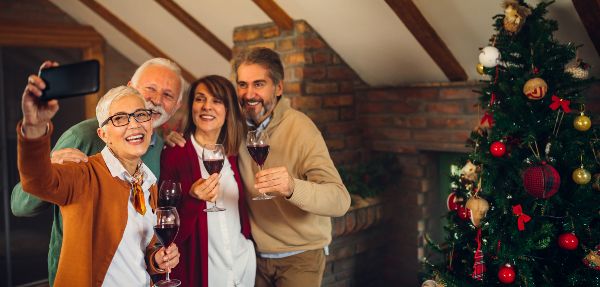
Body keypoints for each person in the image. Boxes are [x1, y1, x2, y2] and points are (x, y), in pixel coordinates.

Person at [11, 58, 185, 286]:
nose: (134, 125)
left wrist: (157, 258)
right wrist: (35, 130)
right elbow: (36, 183)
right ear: (103, 134)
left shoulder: (148, 179)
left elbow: (135, 244)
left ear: (150, 123)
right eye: (121, 118)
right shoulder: (83, 172)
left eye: (141, 116)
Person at [235, 47, 350, 286]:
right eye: (242, 84)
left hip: (301, 257)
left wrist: (292, 187)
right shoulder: (235, 127)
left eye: (258, 84)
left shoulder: (302, 128)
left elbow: (340, 200)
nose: (249, 94)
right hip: (254, 255)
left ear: (278, 88)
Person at [160, 75, 255, 287]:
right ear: (191, 105)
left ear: (228, 109)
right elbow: (167, 231)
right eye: (200, 99)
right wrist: (193, 199)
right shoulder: (174, 155)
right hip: (204, 274)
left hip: (241, 269)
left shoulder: (234, 153)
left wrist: (248, 247)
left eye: (217, 101)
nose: (206, 107)